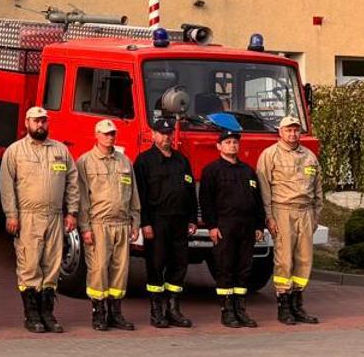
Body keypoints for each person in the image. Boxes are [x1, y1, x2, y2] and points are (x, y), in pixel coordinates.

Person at [0, 105, 79, 334]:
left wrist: (72, 212)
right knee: (30, 266)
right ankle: (31, 315)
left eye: (44, 121)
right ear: (27, 123)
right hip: (27, 217)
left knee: (52, 267)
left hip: (54, 217)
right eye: (36, 121)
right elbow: (6, 185)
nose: (40, 125)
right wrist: (11, 214)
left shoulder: (60, 151)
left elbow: (73, 182)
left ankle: (48, 314)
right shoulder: (15, 151)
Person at [74, 119, 140, 331]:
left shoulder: (124, 162)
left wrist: (135, 221)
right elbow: (82, 198)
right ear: (97, 135)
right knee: (98, 269)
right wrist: (85, 227)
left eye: (112, 133)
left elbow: (133, 195)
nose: (110, 137)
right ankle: (98, 313)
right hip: (98, 225)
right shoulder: (85, 162)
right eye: (105, 134)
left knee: (120, 270)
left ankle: (116, 313)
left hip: (121, 224)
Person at [257, 115, 323, 325]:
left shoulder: (310, 157)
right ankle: (283, 305)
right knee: (284, 260)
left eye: (295, 130)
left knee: (304, 261)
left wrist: (315, 217)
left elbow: (318, 190)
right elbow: (264, 190)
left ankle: (297, 304)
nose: (292, 134)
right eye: (288, 130)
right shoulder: (270, 155)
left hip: (305, 212)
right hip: (282, 211)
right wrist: (269, 217)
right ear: (280, 132)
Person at [200, 128, 266, 328]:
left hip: (247, 226)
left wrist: (259, 226)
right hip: (225, 226)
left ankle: (241, 310)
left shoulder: (248, 171)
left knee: (243, 269)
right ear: (219, 146)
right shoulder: (212, 170)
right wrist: (212, 226)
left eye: (235, 142)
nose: (232, 145)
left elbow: (257, 201)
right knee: (225, 268)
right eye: (228, 142)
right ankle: (227, 311)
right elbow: (206, 200)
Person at [133, 116, 196, 328]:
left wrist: (192, 219)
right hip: (157, 221)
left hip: (179, 221)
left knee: (179, 265)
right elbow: (139, 195)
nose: (166, 137)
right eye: (162, 133)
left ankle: (173, 309)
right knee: (156, 264)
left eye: (169, 134)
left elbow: (189, 192)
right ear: (154, 135)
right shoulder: (144, 161)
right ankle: (156, 311)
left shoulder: (182, 160)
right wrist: (145, 223)